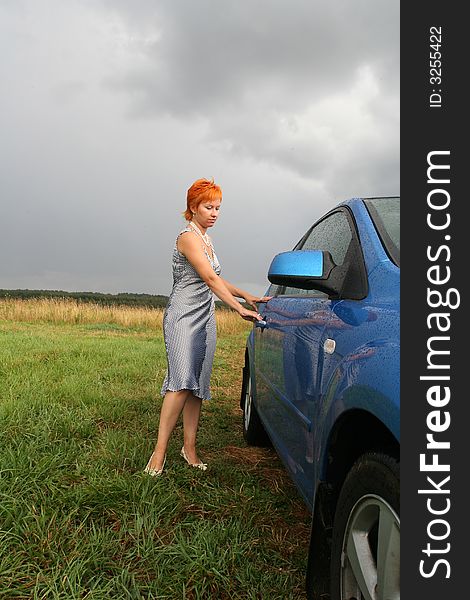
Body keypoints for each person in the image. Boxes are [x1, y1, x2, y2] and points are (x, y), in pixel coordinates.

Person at [144, 178, 271, 475]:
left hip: (205, 317)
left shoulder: (207, 239)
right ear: (193, 207)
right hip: (182, 317)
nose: (215, 212)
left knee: (198, 385)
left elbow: (218, 277)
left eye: (218, 207)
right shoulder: (187, 238)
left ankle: (189, 449)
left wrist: (245, 294)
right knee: (180, 382)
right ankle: (159, 453)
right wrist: (237, 308)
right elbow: (210, 280)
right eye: (208, 206)